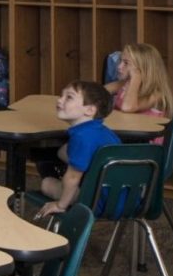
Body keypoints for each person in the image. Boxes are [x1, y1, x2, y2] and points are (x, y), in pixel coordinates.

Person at [34, 81, 120, 220]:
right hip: (124, 198)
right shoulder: (105, 132)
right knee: (62, 151)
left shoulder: (81, 137)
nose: (59, 100)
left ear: (90, 110)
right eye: (61, 95)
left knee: (47, 184)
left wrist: (61, 206)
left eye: (69, 97)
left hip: (99, 202)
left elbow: (73, 177)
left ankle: (62, 188)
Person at [105, 43, 173, 145]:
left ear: (141, 69)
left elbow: (127, 108)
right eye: (120, 61)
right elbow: (96, 92)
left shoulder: (156, 94)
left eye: (126, 63)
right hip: (125, 138)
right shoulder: (124, 85)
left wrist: (136, 78)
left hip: (144, 146)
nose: (119, 67)